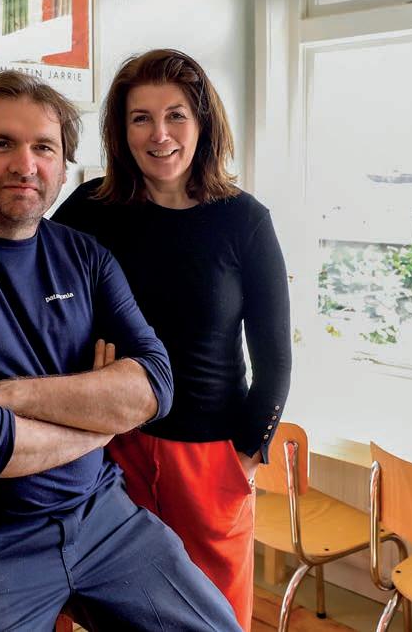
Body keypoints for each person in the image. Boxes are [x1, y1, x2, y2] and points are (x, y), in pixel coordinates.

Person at [0, 70, 240, 631]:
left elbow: (156, 385)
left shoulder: (87, 256)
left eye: (44, 148)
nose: (25, 164)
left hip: (100, 517)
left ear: (63, 166)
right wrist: (102, 424)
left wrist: (1, 396)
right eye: (1, 144)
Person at [51, 48, 292, 630]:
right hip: (111, 445)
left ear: (202, 122)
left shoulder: (244, 220)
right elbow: (36, 296)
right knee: (122, 611)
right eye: (141, 118)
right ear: (122, 130)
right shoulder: (91, 209)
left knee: (214, 614)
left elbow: (276, 357)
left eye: (176, 115)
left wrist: (247, 455)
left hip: (209, 455)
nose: (159, 135)